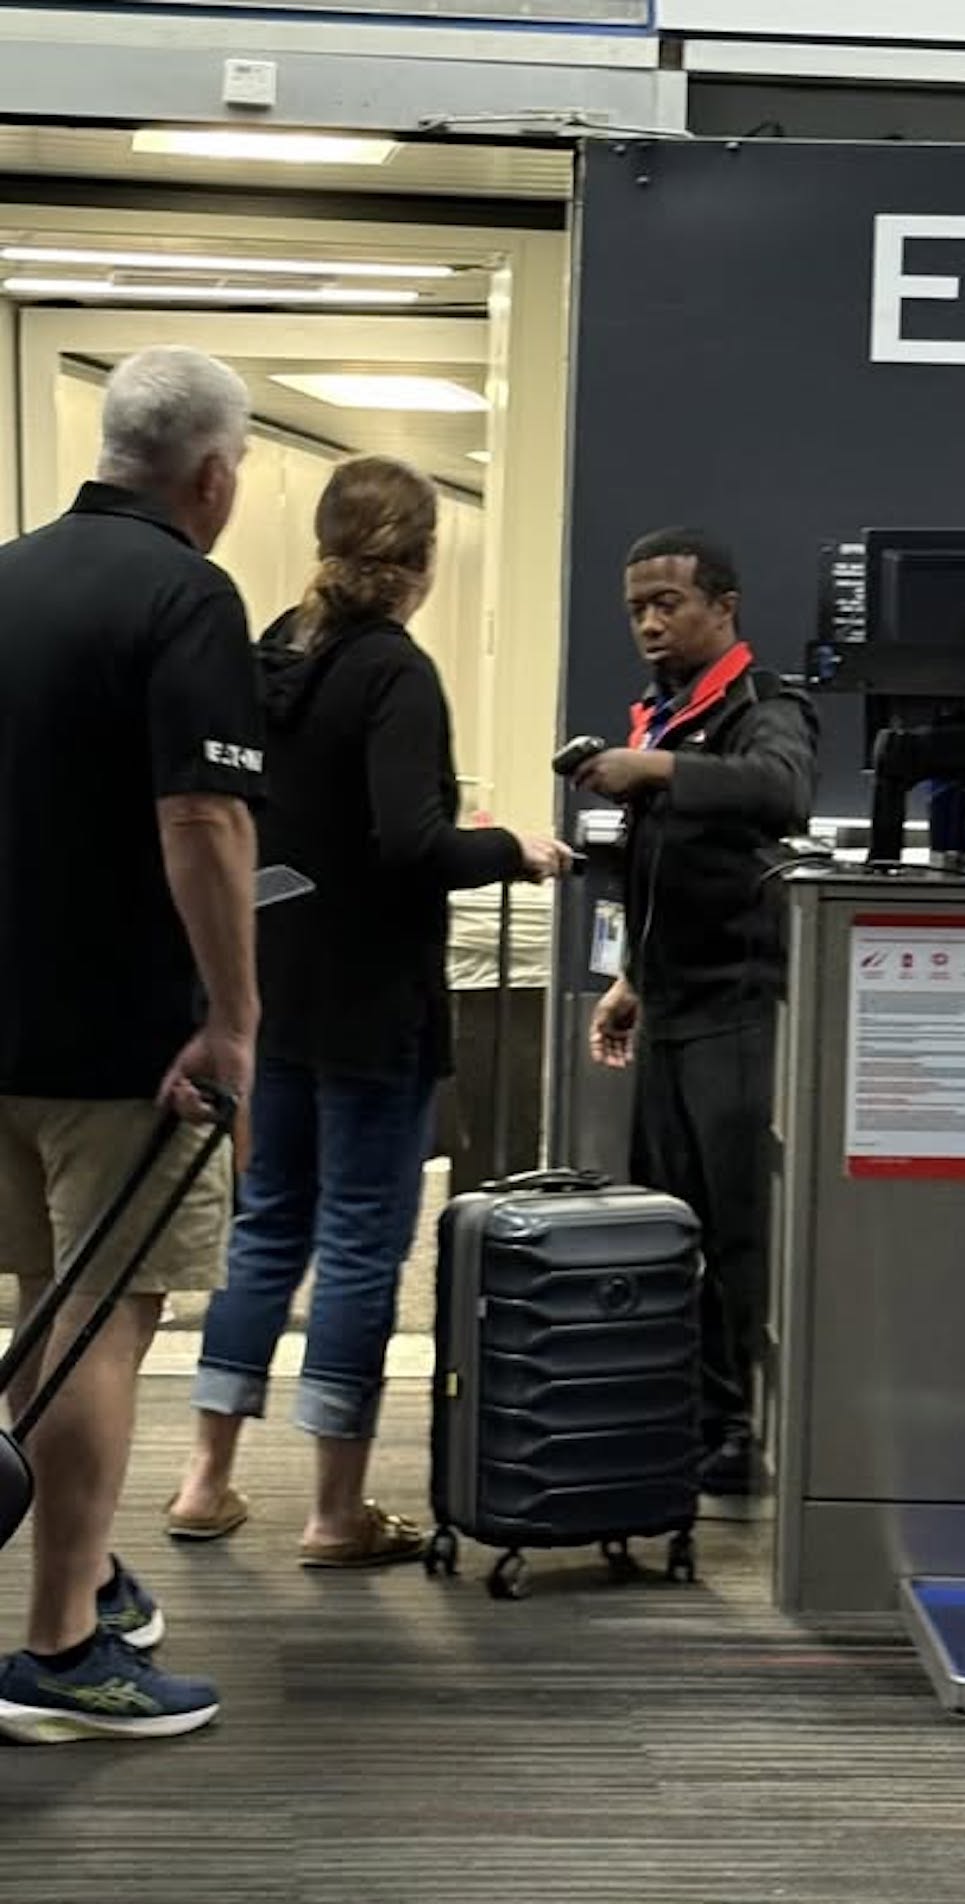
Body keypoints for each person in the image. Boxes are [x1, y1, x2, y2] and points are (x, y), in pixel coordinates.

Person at [169, 455, 571, 1565]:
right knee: (356, 1241)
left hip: (270, 986)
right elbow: (410, 843)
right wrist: (514, 849)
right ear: (422, 560)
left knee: (264, 1229)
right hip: (373, 1003)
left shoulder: (266, 653)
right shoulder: (394, 670)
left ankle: (204, 1479)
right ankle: (333, 1510)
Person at [0, 346, 261, 1743]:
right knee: (107, 1323)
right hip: (126, 1046)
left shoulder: (6, 575)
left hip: (8, 1027)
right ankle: (57, 1652)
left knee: (44, 1310)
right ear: (212, 475)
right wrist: (232, 1017)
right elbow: (205, 823)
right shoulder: (187, 594)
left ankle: (83, 1574)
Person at [579, 528, 818, 1496]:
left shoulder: (765, 707)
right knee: (668, 1218)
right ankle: (687, 1413)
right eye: (636, 604)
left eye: (667, 602)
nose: (647, 620)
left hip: (735, 1007)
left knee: (731, 1228)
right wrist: (630, 973)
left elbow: (783, 791)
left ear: (722, 606)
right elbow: (658, 869)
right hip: (669, 1000)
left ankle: (736, 1430)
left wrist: (658, 772)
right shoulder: (662, 711)